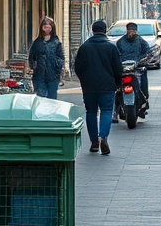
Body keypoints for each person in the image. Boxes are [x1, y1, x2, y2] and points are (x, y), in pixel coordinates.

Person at [74, 19, 123, 155]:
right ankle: (103, 137)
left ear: (92, 30)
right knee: (107, 111)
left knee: (91, 112)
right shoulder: (111, 47)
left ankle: (94, 142)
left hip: (89, 87)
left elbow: (78, 67)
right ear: (105, 30)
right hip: (107, 86)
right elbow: (118, 69)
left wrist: (84, 80)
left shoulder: (85, 47)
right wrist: (117, 82)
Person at [113, 21, 151, 122]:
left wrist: (143, 59)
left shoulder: (140, 40)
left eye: (133, 31)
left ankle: (143, 106)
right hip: (123, 69)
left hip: (137, 68)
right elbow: (116, 55)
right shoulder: (120, 42)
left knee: (143, 85)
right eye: (130, 31)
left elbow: (147, 51)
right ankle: (115, 112)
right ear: (127, 31)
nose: (131, 33)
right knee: (116, 88)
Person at [27, 16, 64, 99]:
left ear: (52, 28)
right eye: (45, 27)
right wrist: (33, 66)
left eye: (49, 27)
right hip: (39, 75)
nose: (47, 29)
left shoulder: (56, 42)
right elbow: (31, 57)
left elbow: (61, 57)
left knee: (52, 99)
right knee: (41, 98)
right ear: (41, 28)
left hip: (53, 75)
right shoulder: (37, 42)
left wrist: (58, 67)